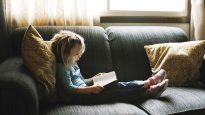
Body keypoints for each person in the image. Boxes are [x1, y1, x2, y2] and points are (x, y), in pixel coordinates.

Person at [51, 30, 169, 104]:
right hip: (80, 98)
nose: (79, 57)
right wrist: (91, 89)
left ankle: (148, 89)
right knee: (115, 90)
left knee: (114, 85)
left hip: (86, 91)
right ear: (65, 53)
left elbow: (81, 82)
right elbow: (70, 89)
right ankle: (149, 84)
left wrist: (92, 79)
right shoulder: (62, 68)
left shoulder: (73, 64)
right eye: (76, 54)